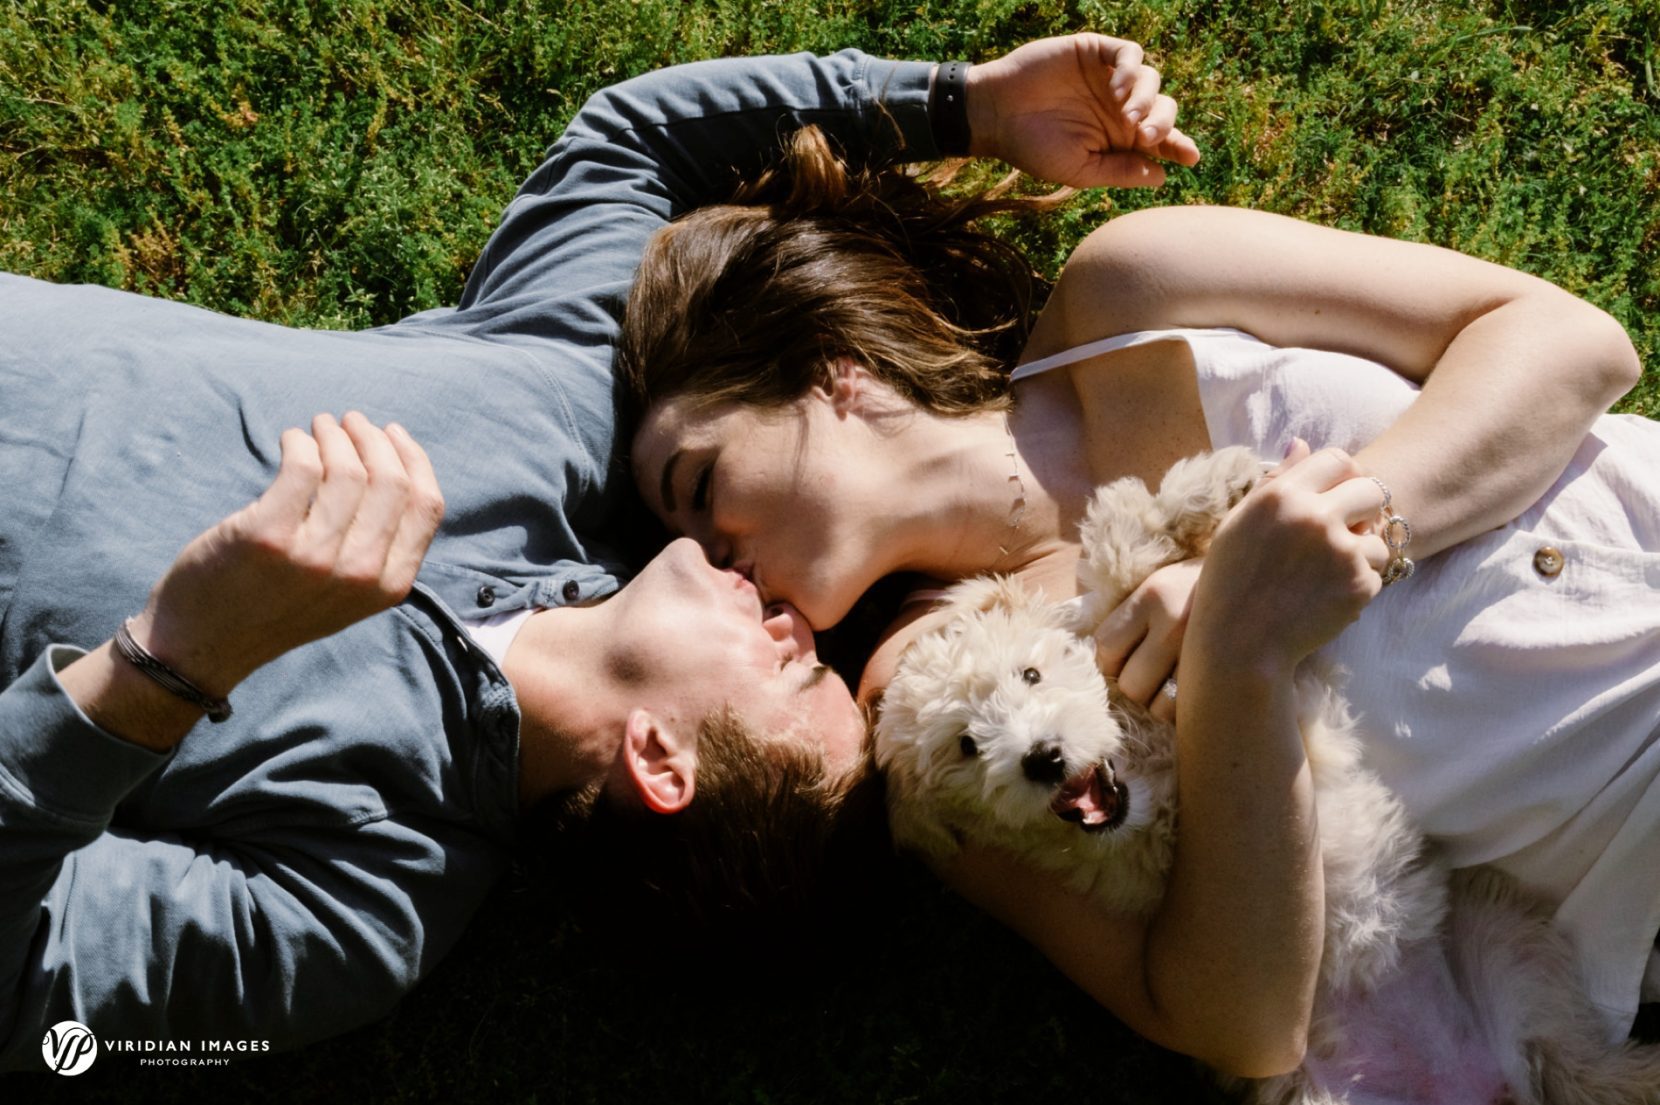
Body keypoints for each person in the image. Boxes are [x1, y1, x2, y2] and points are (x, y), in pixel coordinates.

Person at [0, 37, 1200, 1070]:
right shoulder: (585, 428)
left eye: (795, 667)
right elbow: (632, 145)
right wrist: (965, 106)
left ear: (661, 760)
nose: (803, 620)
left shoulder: (363, 904)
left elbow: (36, 1004)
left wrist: (166, 667)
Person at [620, 127, 1659, 1077]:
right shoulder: (932, 707)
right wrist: (1240, 656)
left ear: (826, 373)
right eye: (695, 547)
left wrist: (1367, 522)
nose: (723, 560)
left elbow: (1574, 342)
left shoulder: (1127, 289)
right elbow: (1232, 1020)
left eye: (702, 486)